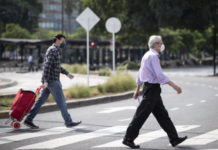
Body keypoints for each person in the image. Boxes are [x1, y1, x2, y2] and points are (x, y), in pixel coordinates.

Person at [122, 35, 187, 148]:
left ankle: (174, 139)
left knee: (163, 116)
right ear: (156, 45)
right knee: (141, 115)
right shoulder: (153, 56)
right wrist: (174, 86)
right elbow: (160, 75)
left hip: (152, 89)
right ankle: (128, 138)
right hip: (152, 89)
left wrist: (137, 89)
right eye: (161, 43)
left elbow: (140, 73)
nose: (162, 45)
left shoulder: (147, 55)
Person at [24, 34, 81, 129]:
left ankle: (28, 119)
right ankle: (68, 121)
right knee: (61, 101)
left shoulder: (54, 50)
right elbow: (47, 65)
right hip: (52, 81)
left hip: (49, 80)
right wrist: (45, 80)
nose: (64, 43)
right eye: (63, 40)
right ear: (58, 40)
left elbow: (57, 66)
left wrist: (67, 73)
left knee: (41, 100)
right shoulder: (53, 50)